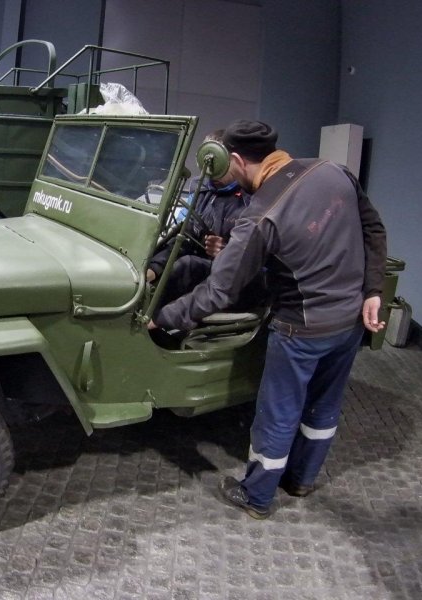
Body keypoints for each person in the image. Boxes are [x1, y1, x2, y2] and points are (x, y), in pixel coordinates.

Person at [149, 119, 387, 519]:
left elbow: (218, 292)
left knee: (279, 413)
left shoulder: (260, 216)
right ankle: (301, 480)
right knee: (324, 407)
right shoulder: (334, 171)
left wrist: (163, 318)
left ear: (236, 159)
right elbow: (373, 227)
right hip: (349, 322)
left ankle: (257, 496)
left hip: (301, 329)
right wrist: (374, 290)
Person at [147, 129, 258, 314]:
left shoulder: (251, 199)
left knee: (186, 266)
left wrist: (226, 249)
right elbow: (186, 232)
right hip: (205, 265)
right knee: (171, 242)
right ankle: (147, 278)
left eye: (218, 159)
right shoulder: (202, 189)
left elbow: (260, 256)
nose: (211, 167)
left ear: (233, 161)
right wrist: (154, 267)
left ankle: (151, 323)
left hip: (237, 279)